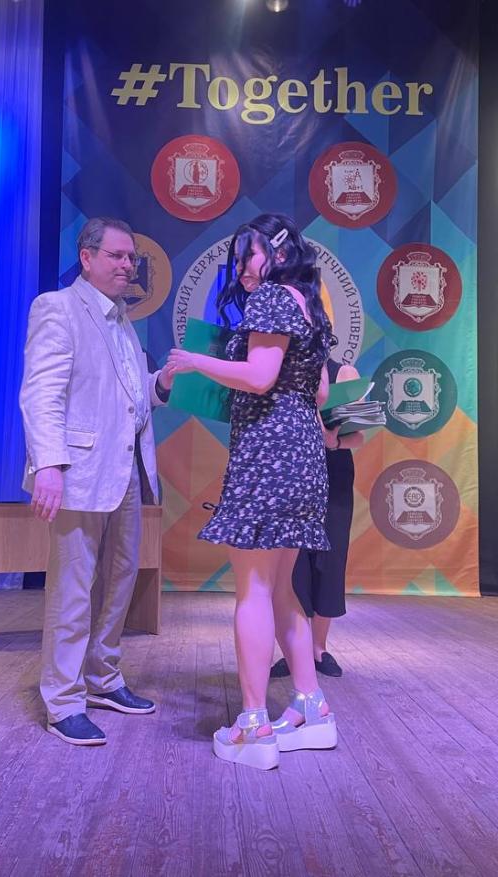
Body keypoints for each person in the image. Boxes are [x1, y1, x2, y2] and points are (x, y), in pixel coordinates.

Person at [165, 213, 337, 770]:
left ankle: (254, 726)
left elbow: (261, 377)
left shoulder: (270, 299)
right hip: (303, 452)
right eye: (238, 256)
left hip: (268, 453)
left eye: (250, 254)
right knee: (280, 589)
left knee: (254, 591)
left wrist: (196, 361)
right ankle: (311, 709)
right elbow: (320, 391)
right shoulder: (308, 303)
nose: (241, 266)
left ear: (279, 254)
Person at [20, 217, 172, 746]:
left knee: (120, 578)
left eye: (131, 257)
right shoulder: (57, 308)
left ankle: (103, 678)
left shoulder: (123, 321)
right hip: (78, 473)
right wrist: (49, 465)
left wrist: (161, 383)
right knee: (73, 588)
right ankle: (63, 701)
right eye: (117, 255)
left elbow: (128, 397)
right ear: (86, 258)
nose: (128, 265)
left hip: (125, 470)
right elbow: (41, 393)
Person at [271, 359, 365, 681]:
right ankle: (292, 649)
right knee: (292, 564)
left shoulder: (344, 373)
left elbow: (358, 436)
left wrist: (333, 442)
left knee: (330, 559)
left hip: (333, 475)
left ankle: (318, 648)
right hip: (292, 474)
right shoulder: (280, 369)